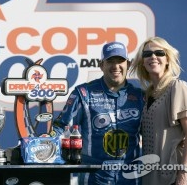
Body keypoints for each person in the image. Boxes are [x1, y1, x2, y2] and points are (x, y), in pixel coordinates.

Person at [52, 41, 145, 184]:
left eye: (120, 61)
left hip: (130, 177)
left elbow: (153, 134)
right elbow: (61, 126)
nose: (116, 66)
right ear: (101, 65)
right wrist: (45, 142)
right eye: (110, 61)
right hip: (94, 176)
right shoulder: (84, 93)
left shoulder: (140, 96)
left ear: (129, 64)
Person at [130, 36, 187, 185]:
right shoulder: (146, 95)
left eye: (159, 53)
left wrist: (184, 173)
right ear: (142, 62)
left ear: (167, 59)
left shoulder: (178, 87)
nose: (153, 57)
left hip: (173, 176)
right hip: (150, 176)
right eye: (147, 54)